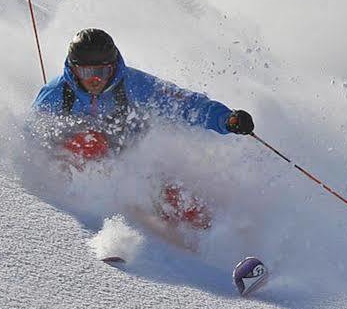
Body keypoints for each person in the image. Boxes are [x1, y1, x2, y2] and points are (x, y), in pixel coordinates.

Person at [31, 27, 253, 237]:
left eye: (102, 71)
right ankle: (98, 217)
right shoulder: (56, 93)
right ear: (73, 68)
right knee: (91, 143)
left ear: (112, 66)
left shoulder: (134, 84)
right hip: (77, 166)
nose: (94, 80)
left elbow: (184, 103)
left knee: (179, 200)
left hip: (130, 163)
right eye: (86, 72)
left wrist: (226, 118)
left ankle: (215, 242)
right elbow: (31, 136)